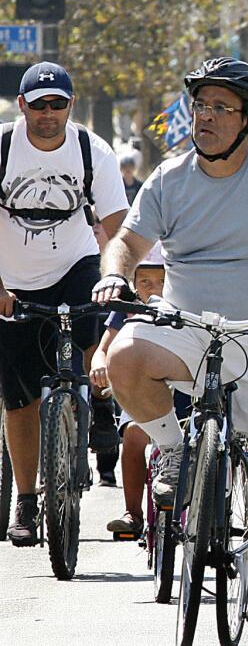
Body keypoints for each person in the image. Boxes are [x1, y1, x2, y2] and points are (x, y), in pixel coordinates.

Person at [93, 57, 248, 626]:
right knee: (127, 354)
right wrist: (114, 274)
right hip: (186, 326)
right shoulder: (170, 176)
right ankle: (174, 449)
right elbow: (126, 243)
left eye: (220, 108)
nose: (205, 117)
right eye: (199, 105)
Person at [0, 62, 129, 546]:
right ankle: (27, 502)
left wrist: (120, 277)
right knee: (21, 402)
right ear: (22, 106)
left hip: (75, 265)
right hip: (12, 279)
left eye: (57, 104)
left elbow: (117, 227)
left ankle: (98, 409)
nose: (48, 114)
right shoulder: (3, 148)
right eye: (39, 105)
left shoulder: (93, 151)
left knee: (97, 346)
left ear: (71, 106)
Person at [89, 243, 187, 538]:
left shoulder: (186, 306)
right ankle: (132, 513)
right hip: (144, 391)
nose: (154, 288)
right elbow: (102, 349)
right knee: (133, 434)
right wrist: (100, 363)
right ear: (133, 283)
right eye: (145, 281)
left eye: (162, 281)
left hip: (183, 392)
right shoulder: (129, 310)